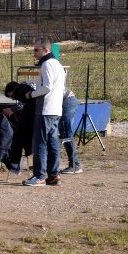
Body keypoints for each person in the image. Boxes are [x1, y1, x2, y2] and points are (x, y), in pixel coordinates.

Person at [24, 38, 66, 186]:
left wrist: (31, 94)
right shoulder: (58, 65)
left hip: (45, 109)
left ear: (46, 50)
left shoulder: (47, 64)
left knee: (40, 143)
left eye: (36, 50)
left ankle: (39, 175)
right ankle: (54, 175)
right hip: (55, 109)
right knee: (53, 142)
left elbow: (47, 87)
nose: (34, 53)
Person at [59, 87, 83, 175]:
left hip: (67, 100)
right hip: (62, 100)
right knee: (60, 132)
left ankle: (75, 165)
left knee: (65, 132)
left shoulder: (30, 90)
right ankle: (49, 163)